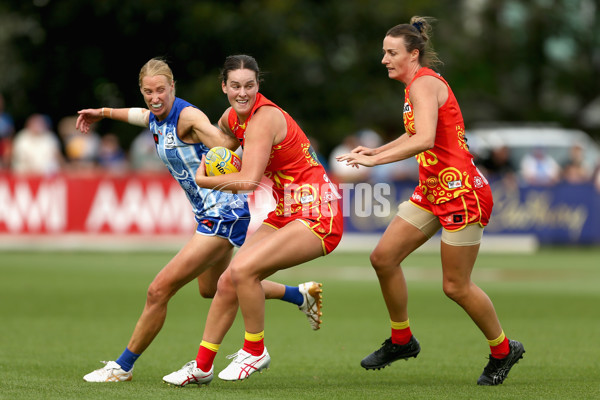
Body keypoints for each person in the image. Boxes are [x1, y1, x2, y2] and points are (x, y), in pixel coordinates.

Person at [75, 58, 324, 383]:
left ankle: (122, 367)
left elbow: (223, 142)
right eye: (149, 92)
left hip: (224, 215)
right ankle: (299, 295)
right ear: (142, 91)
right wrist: (102, 113)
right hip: (209, 215)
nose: (155, 97)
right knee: (216, 288)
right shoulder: (155, 116)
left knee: (159, 290)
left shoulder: (188, 116)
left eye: (161, 90)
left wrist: (227, 153)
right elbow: (140, 116)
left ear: (173, 87)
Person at [336, 16, 524, 386]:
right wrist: (376, 149)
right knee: (383, 258)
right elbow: (416, 137)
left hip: (461, 192)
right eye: (384, 52)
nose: (384, 59)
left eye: (391, 53)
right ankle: (402, 340)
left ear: (413, 54)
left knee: (455, 286)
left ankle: (504, 350)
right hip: (435, 189)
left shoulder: (423, 85)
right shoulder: (415, 87)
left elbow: (422, 140)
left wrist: (373, 161)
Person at [162, 54, 343, 386]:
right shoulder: (231, 117)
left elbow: (246, 181)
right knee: (228, 280)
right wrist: (203, 148)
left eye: (249, 85)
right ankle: (202, 366)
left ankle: (255, 350)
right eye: (235, 86)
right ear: (224, 87)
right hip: (286, 209)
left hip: (319, 212)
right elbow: (221, 145)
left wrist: (204, 179)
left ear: (258, 86)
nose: (242, 92)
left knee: (243, 270)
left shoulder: (265, 119)